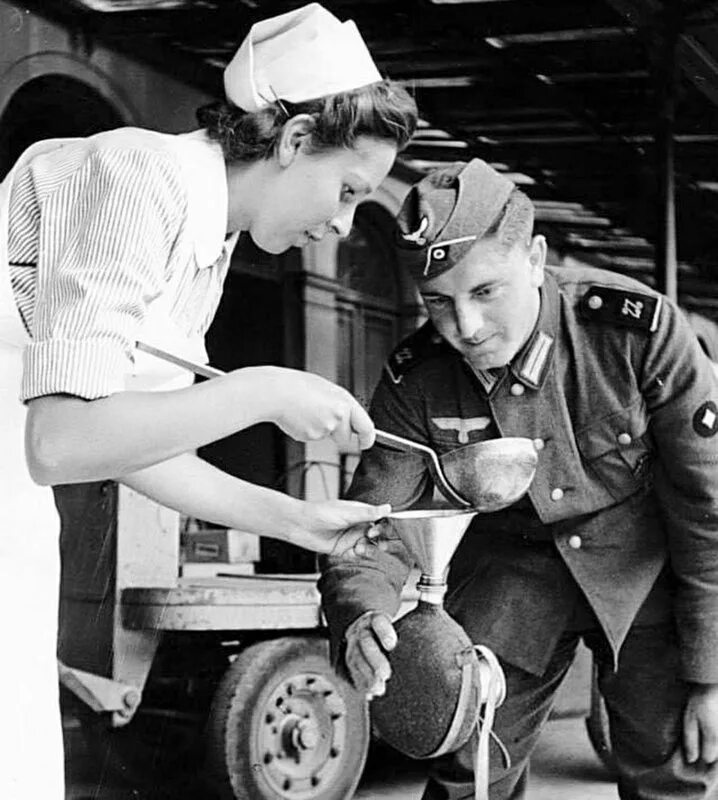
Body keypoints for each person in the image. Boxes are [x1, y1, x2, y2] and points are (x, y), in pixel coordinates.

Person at [0, 4, 417, 798]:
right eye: (349, 189)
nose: (339, 223)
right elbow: (60, 441)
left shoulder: (207, 238)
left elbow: (127, 440)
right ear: (294, 141)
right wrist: (263, 390)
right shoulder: (132, 178)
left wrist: (295, 520)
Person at [319, 159, 718, 799]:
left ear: (534, 258)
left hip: (644, 570)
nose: (465, 329)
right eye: (438, 302)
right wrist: (362, 615)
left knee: (673, 771)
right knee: (468, 775)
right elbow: (376, 526)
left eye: (485, 292)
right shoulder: (415, 376)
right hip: (512, 577)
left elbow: (708, 505)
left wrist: (711, 672)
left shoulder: (634, 333)